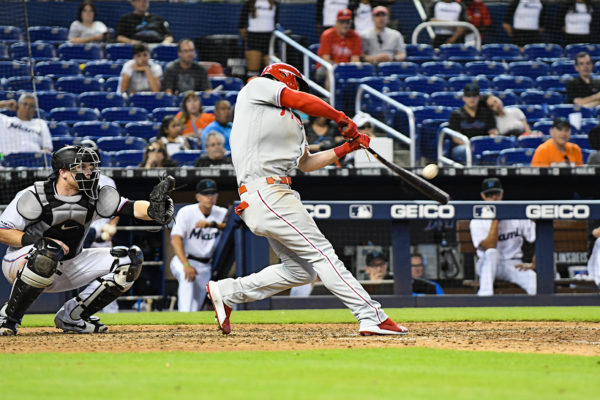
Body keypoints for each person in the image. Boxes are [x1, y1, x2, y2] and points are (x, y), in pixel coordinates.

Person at [206, 62, 407, 336]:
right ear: (287, 78)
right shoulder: (257, 87)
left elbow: (307, 164)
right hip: (265, 191)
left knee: (301, 271)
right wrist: (339, 116)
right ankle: (371, 316)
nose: (299, 91)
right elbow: (297, 98)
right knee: (323, 254)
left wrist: (348, 147)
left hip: (276, 194)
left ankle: (228, 291)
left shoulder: (294, 124)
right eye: (297, 84)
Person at [0, 146, 175, 335]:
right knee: (47, 252)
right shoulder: (35, 195)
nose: (89, 172)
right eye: (81, 167)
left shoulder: (94, 195)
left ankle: (73, 317)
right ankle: (8, 318)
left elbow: (131, 207)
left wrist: (154, 210)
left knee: (129, 260)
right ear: (63, 172)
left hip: (68, 263)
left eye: (91, 167)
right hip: (22, 263)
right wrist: (37, 241)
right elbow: (3, 230)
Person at [469, 177, 537, 296]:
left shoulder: (516, 214)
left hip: (514, 264)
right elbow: (489, 247)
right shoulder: (478, 220)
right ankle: (485, 299)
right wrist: (495, 219)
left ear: (502, 193)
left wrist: (534, 263)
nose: (494, 198)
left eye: (496, 193)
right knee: (491, 253)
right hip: (487, 265)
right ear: (483, 196)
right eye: (489, 195)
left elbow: (540, 238)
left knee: (535, 284)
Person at [170, 179, 228, 312]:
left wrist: (212, 224)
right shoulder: (187, 212)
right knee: (187, 279)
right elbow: (175, 239)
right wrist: (186, 265)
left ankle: (192, 328)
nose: (210, 197)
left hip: (205, 265)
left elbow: (233, 226)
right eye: (206, 194)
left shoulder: (222, 212)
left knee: (196, 305)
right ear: (198, 197)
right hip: (185, 259)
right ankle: (183, 320)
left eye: (213, 194)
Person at [448, 83, 497, 161]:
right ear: (463, 98)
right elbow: (456, 138)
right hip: (463, 146)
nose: (472, 99)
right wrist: (471, 146)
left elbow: (493, 132)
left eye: (474, 96)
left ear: (479, 98)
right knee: (470, 151)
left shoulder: (487, 113)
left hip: (483, 146)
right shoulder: (456, 114)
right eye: (468, 96)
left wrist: (490, 140)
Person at [317, 9, 362, 89]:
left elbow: (355, 59)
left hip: (347, 68)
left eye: (347, 22)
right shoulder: (327, 35)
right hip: (327, 67)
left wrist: (345, 69)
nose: (345, 25)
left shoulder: (355, 36)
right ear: (336, 23)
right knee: (331, 71)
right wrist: (339, 68)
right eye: (342, 22)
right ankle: (331, 98)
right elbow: (326, 59)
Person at [239, 0, 278, 78]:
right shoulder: (249, 3)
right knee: (253, 70)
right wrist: (247, 39)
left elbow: (275, 22)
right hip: (253, 38)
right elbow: (241, 24)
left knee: (272, 71)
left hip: (269, 39)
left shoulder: (274, 4)